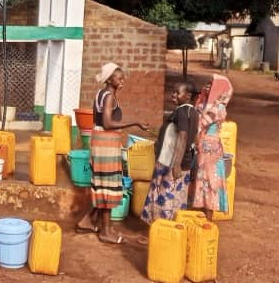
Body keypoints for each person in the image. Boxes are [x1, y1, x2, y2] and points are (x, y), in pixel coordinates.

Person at [75, 62, 148, 244]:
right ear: (109, 79)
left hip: (99, 140)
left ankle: (87, 221)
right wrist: (134, 123)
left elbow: (99, 122)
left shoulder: (100, 94)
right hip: (106, 142)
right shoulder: (109, 97)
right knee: (109, 185)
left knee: (102, 183)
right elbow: (107, 123)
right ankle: (106, 231)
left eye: (123, 78)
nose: (122, 81)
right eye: (119, 78)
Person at [141, 82, 198, 224]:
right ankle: (171, 231)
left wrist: (176, 164)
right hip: (181, 162)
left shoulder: (182, 111)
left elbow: (183, 136)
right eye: (173, 92)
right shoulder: (193, 112)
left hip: (170, 163)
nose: (173, 95)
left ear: (188, 95)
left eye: (177, 92)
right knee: (176, 198)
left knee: (164, 197)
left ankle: (159, 230)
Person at [190, 74, 233, 221]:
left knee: (210, 181)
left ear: (219, 89)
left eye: (210, 85)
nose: (206, 86)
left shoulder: (218, 108)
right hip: (202, 147)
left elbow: (200, 123)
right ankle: (201, 213)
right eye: (207, 84)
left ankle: (208, 217)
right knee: (200, 178)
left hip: (211, 150)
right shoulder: (202, 103)